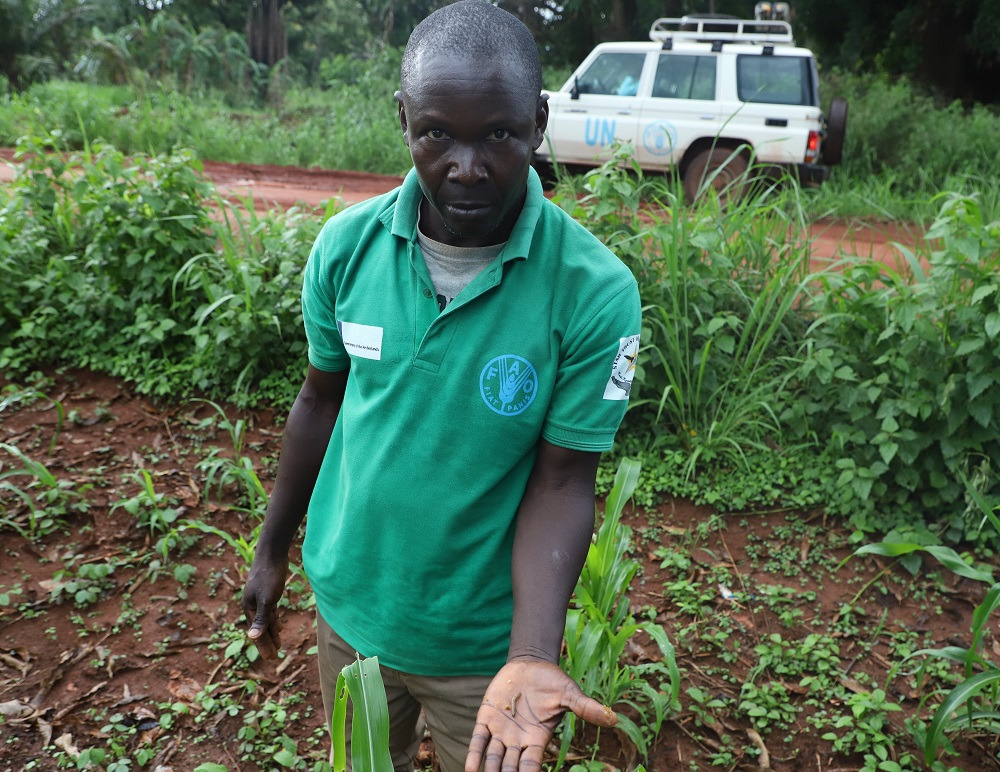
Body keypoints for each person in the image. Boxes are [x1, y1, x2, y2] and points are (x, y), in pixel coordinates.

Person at [240, 2, 642, 771]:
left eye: (497, 133)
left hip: (485, 651)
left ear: (537, 121)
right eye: (437, 134)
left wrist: (530, 654)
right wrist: (271, 550)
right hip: (353, 617)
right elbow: (319, 402)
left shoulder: (593, 291)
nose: (466, 165)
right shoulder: (346, 250)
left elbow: (563, 482)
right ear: (403, 121)